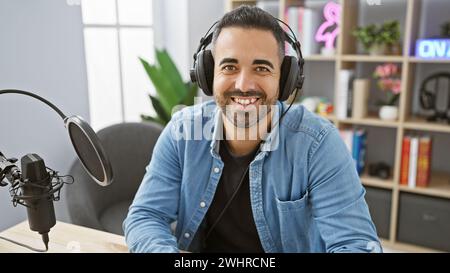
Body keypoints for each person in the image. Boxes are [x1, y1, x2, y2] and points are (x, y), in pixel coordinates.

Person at [123, 5, 381, 253]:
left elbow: (357, 244)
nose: (244, 84)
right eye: (230, 67)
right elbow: (145, 216)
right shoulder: (182, 132)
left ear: (285, 79)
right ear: (209, 74)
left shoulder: (318, 144)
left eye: (261, 68)